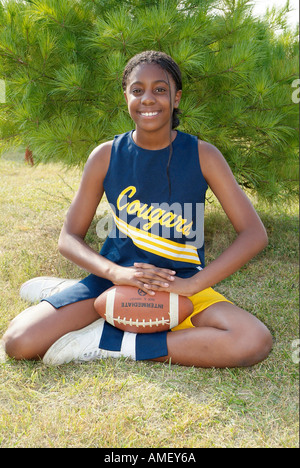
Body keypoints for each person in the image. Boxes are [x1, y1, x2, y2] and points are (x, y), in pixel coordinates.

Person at [3, 50, 272, 367]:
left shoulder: (203, 155)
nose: (148, 99)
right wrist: (115, 272)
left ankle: (109, 343)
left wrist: (192, 284)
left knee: (252, 341)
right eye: (137, 89)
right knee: (18, 343)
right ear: (126, 96)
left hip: (181, 284)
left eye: (160, 89)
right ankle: (77, 295)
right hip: (114, 280)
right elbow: (69, 237)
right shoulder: (105, 155)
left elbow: (254, 234)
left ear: (176, 98)